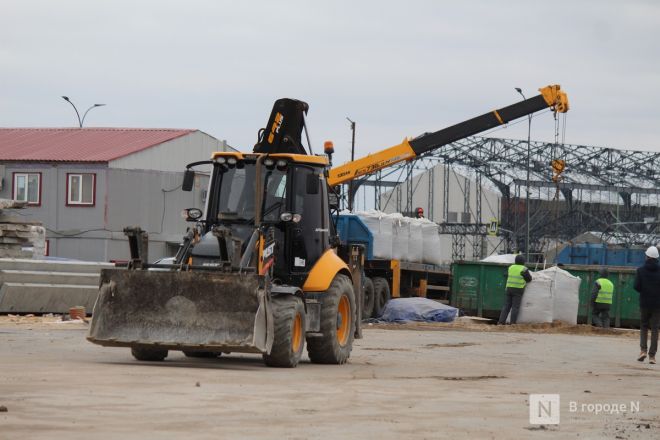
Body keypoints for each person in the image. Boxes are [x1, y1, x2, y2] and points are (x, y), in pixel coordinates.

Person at [633, 246, 660, 364]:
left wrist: (645, 290)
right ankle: (652, 356)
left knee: (644, 326)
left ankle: (643, 350)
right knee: (655, 329)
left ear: (647, 257)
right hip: (657, 305)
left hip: (644, 303)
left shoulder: (640, 270)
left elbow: (636, 286)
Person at [498, 254, 532, 324]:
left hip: (509, 288)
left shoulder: (511, 267)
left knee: (506, 306)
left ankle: (501, 322)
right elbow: (529, 279)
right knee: (515, 307)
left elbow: (506, 274)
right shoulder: (524, 269)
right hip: (518, 290)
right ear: (523, 261)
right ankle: (512, 323)